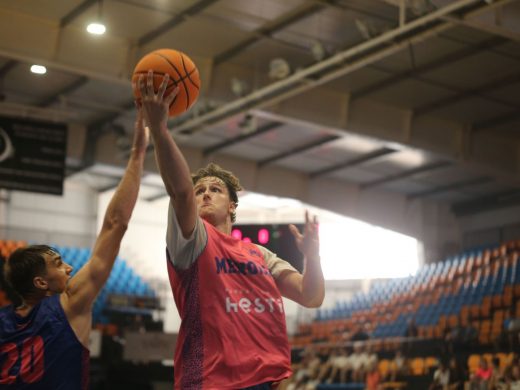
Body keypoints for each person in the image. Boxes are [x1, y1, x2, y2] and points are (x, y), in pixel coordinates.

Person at [137, 70, 325, 389]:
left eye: (215, 189)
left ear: (233, 206)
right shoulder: (192, 241)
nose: (206, 193)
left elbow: (311, 297)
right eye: (200, 191)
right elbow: (180, 191)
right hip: (210, 380)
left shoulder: (258, 254)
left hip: (265, 381)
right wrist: (159, 129)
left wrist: (313, 257)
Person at [0, 109, 150, 389]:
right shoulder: (69, 304)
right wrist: (138, 153)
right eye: (58, 263)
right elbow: (115, 224)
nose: (68, 267)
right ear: (41, 281)